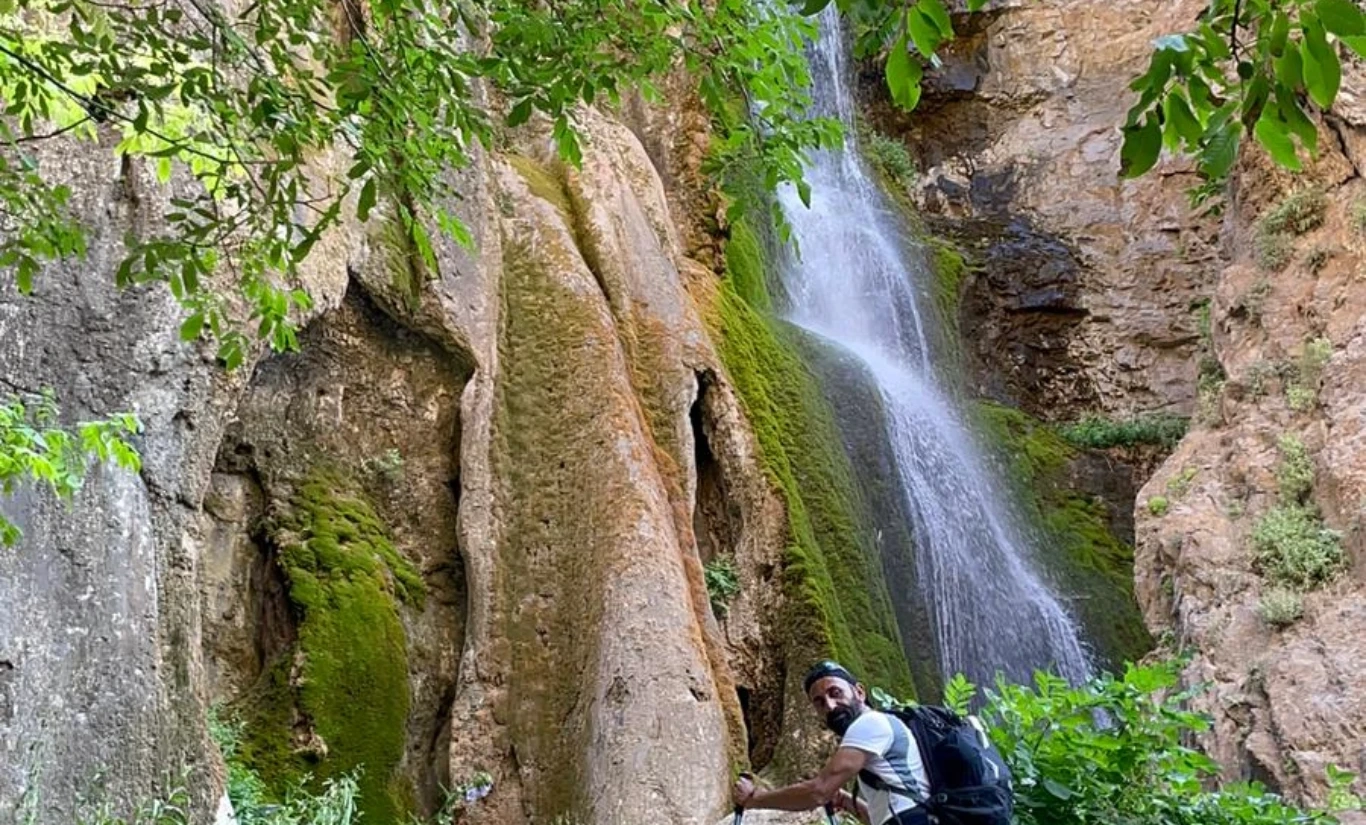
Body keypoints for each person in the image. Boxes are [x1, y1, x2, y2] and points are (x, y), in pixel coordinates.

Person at [731, 661, 930, 825]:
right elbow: (885, 818)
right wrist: (845, 801)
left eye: (835, 693)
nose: (830, 706)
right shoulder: (881, 732)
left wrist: (754, 799)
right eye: (819, 702)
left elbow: (818, 792)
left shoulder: (870, 724)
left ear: (860, 692)